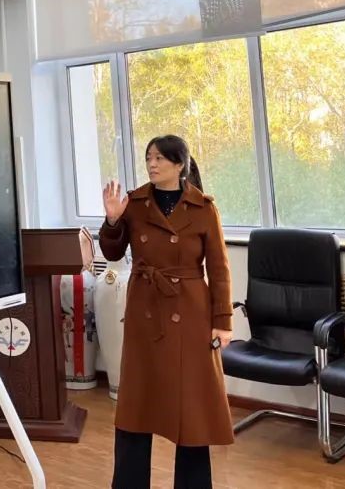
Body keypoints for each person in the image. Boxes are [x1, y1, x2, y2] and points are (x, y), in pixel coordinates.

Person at [98, 135, 234, 489]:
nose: (152, 164)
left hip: (191, 312)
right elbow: (112, 253)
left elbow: (219, 270)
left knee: (192, 410)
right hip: (145, 311)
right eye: (149, 158)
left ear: (179, 164)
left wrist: (222, 322)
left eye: (159, 158)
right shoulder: (135, 203)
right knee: (135, 407)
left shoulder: (204, 208)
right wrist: (112, 220)